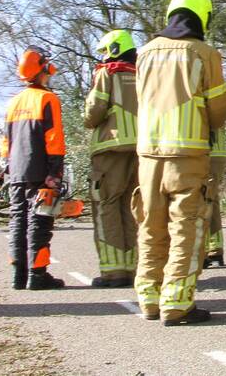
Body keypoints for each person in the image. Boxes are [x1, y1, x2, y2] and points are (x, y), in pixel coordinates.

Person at [135, 0, 226, 326]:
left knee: (150, 226)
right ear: (202, 17)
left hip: (147, 156)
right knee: (186, 228)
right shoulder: (203, 53)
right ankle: (177, 301)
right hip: (187, 155)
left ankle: (148, 296)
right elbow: (218, 110)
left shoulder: (144, 52)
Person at [1, 47, 67, 290]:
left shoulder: (13, 103)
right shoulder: (48, 99)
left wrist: (9, 169)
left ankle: (18, 275)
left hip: (16, 170)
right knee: (40, 221)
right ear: (41, 70)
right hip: (40, 170)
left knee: (17, 220)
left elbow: (5, 143)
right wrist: (55, 173)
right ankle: (37, 274)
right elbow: (54, 139)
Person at [84, 29, 139, 288]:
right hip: (140, 149)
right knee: (133, 208)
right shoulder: (143, 74)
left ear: (114, 49)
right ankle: (135, 268)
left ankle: (113, 271)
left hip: (109, 149)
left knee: (106, 206)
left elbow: (94, 112)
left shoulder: (107, 73)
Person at [202, 129, 226, 270]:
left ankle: (203, 252)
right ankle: (214, 250)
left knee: (203, 199)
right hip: (215, 149)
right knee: (211, 199)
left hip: (200, 149)